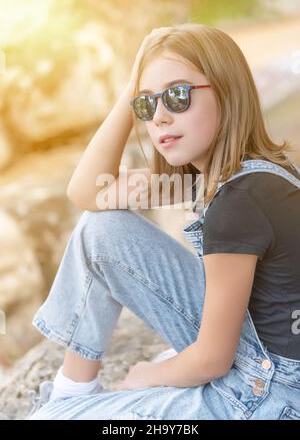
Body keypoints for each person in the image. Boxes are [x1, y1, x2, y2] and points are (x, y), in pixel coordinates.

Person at [27, 23, 300, 420]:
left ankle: (63, 408)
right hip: (260, 354)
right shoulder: (233, 173)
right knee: (102, 230)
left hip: (272, 393)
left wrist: (150, 375)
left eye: (176, 95)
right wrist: (129, 91)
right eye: (146, 104)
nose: (159, 118)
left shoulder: (240, 201)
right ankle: (73, 391)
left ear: (227, 90)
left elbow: (211, 360)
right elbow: (88, 194)